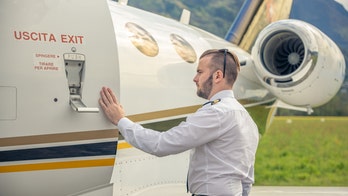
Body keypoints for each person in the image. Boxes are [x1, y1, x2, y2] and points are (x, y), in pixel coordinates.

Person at [99, 49, 259, 196]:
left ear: (217, 76)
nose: (195, 79)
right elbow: (247, 179)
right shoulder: (246, 119)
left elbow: (160, 144)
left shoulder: (215, 113)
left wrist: (120, 120)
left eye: (200, 72)